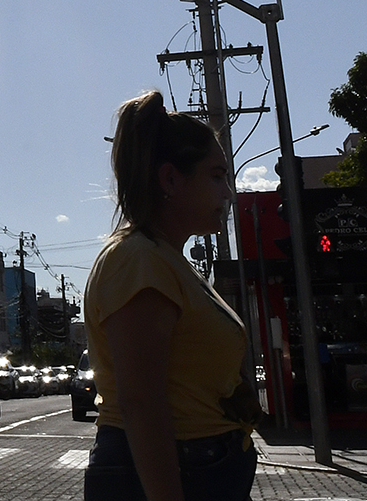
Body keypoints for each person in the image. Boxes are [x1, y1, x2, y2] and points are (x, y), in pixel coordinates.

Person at [82, 91, 257, 501]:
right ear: (171, 179)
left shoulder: (167, 259)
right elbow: (141, 402)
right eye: (216, 176)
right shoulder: (138, 260)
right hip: (177, 473)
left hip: (203, 467)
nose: (228, 193)